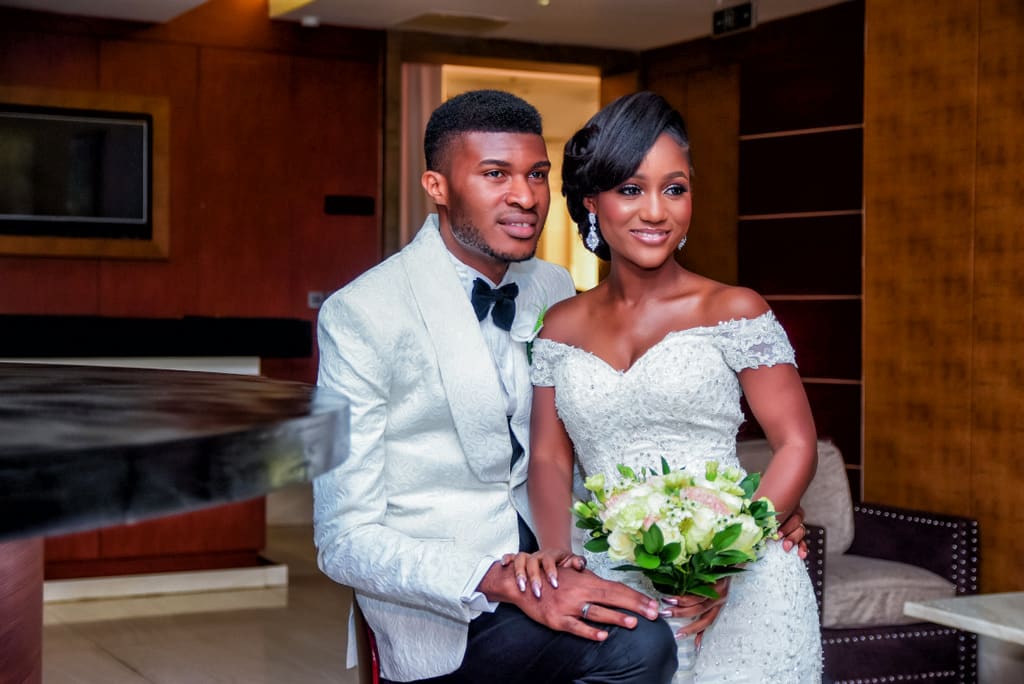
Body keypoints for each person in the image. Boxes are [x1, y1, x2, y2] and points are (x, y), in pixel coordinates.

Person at [312, 89, 680, 684]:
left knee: (678, 611)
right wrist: (500, 578)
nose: (526, 197)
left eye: (537, 174)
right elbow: (344, 539)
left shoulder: (552, 287)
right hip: (454, 605)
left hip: (564, 554)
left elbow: (594, 432)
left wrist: (740, 516)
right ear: (437, 186)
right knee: (639, 642)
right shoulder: (363, 313)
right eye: (495, 174)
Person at [524, 91, 823, 683]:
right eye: (631, 189)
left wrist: (728, 557)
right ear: (592, 202)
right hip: (612, 583)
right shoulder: (558, 326)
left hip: (746, 583)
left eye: (675, 188)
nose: (656, 211)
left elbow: (796, 444)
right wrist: (560, 558)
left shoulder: (734, 310)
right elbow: (549, 457)